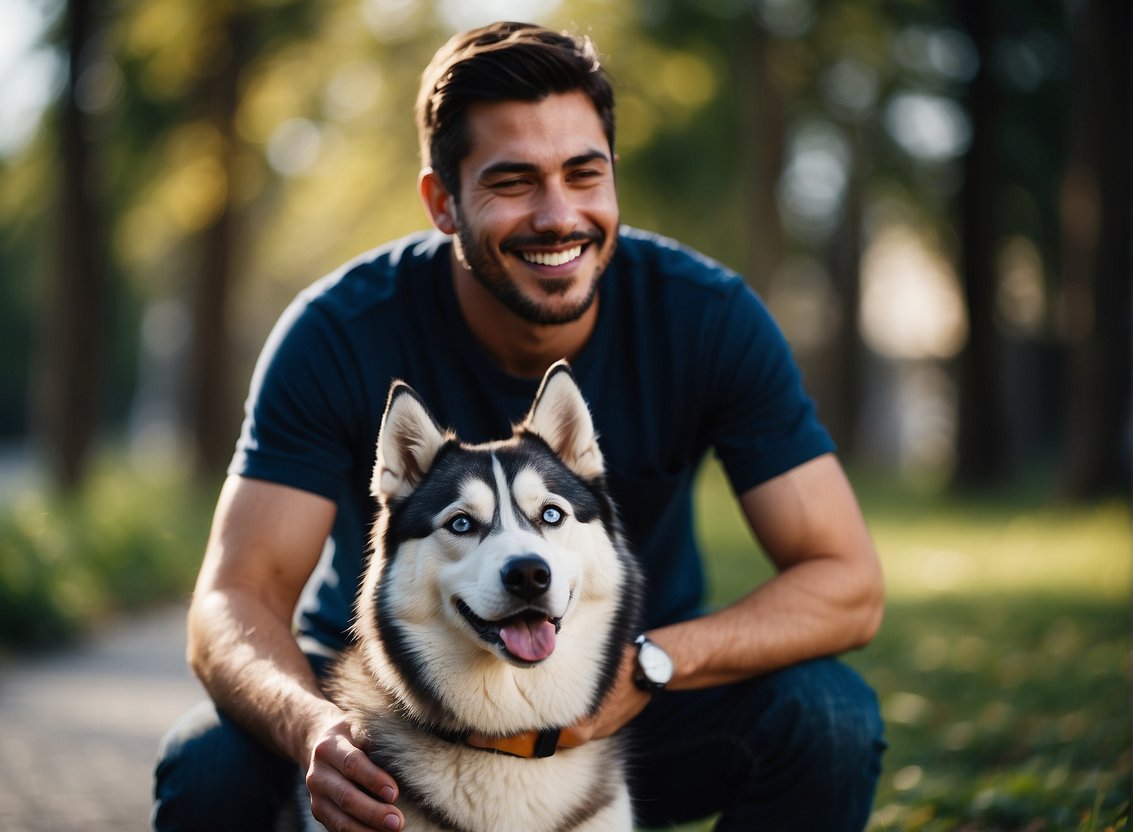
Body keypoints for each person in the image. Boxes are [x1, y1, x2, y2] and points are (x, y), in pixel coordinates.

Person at [153, 20, 886, 832]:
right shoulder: (335, 333)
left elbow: (845, 584)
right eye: (512, 182)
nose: (557, 215)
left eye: (584, 173)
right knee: (209, 764)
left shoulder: (708, 318)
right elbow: (232, 597)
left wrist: (652, 661)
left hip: (619, 700)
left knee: (825, 716)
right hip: (385, 714)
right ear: (442, 201)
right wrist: (314, 730)